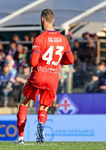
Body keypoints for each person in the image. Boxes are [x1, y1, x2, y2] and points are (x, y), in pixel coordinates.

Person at [13, 9, 74, 144]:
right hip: (53, 78)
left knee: (23, 103)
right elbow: (70, 60)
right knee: (44, 106)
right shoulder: (63, 39)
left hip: (39, 76)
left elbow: (33, 62)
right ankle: (41, 123)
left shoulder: (39, 39)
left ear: (42, 19)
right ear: (53, 20)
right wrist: (56, 62)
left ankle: (21, 138)